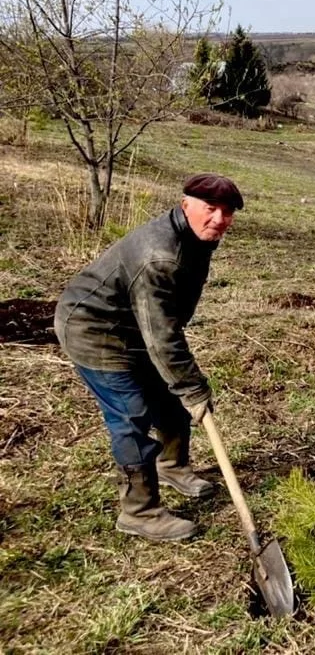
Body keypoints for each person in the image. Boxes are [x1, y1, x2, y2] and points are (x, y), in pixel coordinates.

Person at [54, 173, 244, 542]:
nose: (219, 219)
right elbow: (162, 336)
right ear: (185, 203)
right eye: (210, 209)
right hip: (94, 329)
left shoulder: (194, 238)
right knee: (131, 415)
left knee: (170, 402)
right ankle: (140, 512)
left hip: (134, 324)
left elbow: (162, 323)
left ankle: (172, 466)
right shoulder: (160, 255)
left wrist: (182, 388)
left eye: (227, 212)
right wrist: (192, 387)